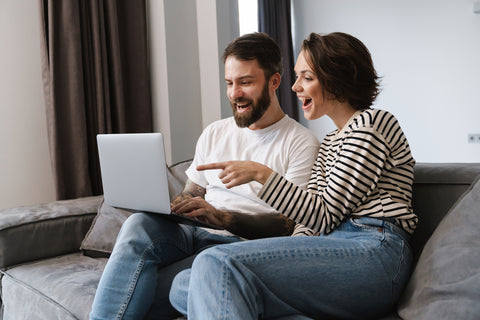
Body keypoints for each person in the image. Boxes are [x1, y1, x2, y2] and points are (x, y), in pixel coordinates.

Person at [169, 32, 418, 319]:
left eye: (306, 77)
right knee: (183, 284)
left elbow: (323, 214)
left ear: (337, 78)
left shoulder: (371, 124)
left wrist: (262, 174)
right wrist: (288, 249)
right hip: (328, 248)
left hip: (372, 250)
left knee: (213, 265)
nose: (295, 86)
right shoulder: (330, 142)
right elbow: (307, 225)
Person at [89, 32, 320, 320]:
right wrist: (180, 205)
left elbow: (290, 225)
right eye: (229, 83)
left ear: (274, 81)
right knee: (139, 224)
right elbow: (193, 190)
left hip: (240, 247)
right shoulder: (215, 132)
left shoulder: (300, 143)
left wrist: (223, 217)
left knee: (147, 291)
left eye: (246, 82)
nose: (235, 93)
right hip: (194, 233)